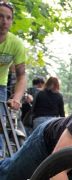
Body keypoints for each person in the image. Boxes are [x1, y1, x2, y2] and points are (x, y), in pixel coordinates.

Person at [0, 1, 26, 157]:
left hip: (0, 86)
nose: (4, 21)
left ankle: (1, 159)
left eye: (8, 18)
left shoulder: (16, 44)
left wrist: (16, 98)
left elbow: (22, 75)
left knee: (1, 124)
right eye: (1, 16)